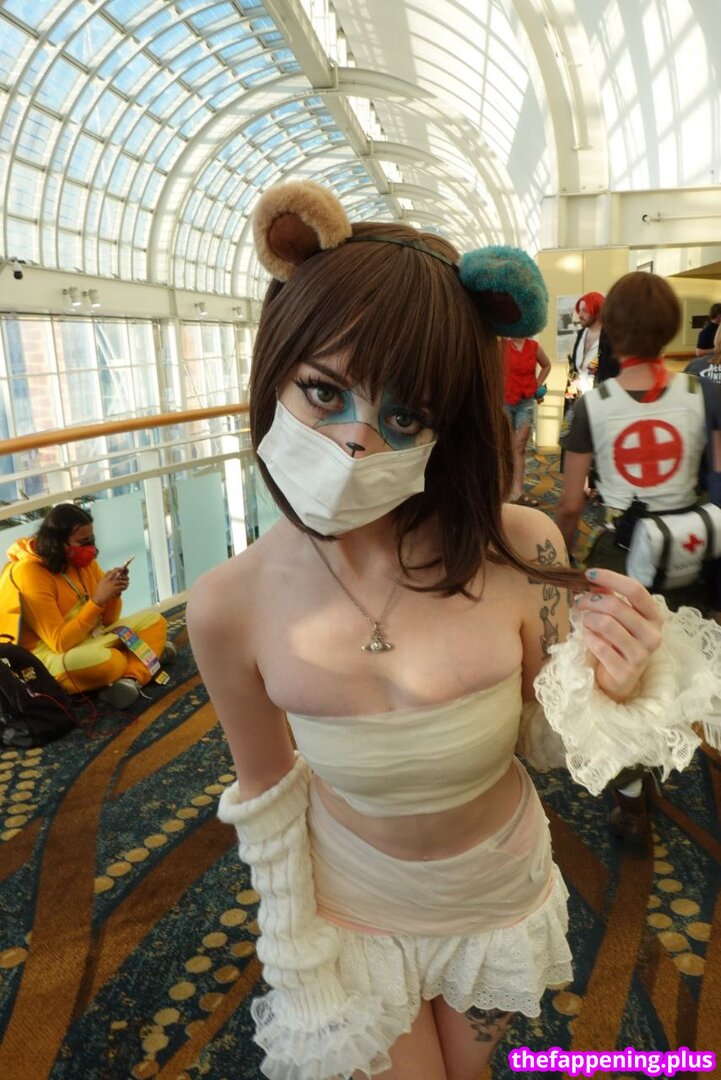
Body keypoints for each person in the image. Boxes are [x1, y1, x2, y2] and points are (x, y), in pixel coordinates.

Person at [187, 182, 720, 1080]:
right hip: (353, 907)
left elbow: (545, 743)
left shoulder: (522, 548)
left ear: (447, 423)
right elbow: (267, 801)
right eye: (322, 391)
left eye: (403, 415)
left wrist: (611, 691)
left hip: (497, 896)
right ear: (273, 367)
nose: (355, 442)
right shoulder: (225, 605)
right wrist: (295, 963)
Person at [555, 271, 721, 855]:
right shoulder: (704, 394)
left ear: (613, 332)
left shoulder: (592, 406)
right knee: (676, 666)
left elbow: (570, 504)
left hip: (625, 561)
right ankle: (673, 749)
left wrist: (562, 563)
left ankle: (630, 805)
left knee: (615, 683)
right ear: (672, 328)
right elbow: (719, 480)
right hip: (692, 554)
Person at [0, 503, 172, 709]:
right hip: (50, 656)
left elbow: (109, 621)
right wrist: (97, 601)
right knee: (110, 661)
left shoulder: (84, 561)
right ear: (57, 542)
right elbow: (59, 643)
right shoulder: (29, 573)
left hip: (90, 637)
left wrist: (113, 594)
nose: (90, 548)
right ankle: (146, 657)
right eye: (83, 542)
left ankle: (131, 679)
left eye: (91, 540)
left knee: (155, 622)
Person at [502, 335, 551, 506]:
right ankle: (504, 489)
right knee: (505, 447)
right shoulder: (501, 344)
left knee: (520, 446)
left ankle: (518, 491)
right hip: (504, 401)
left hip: (526, 402)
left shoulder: (533, 346)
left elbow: (546, 365)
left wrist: (537, 384)